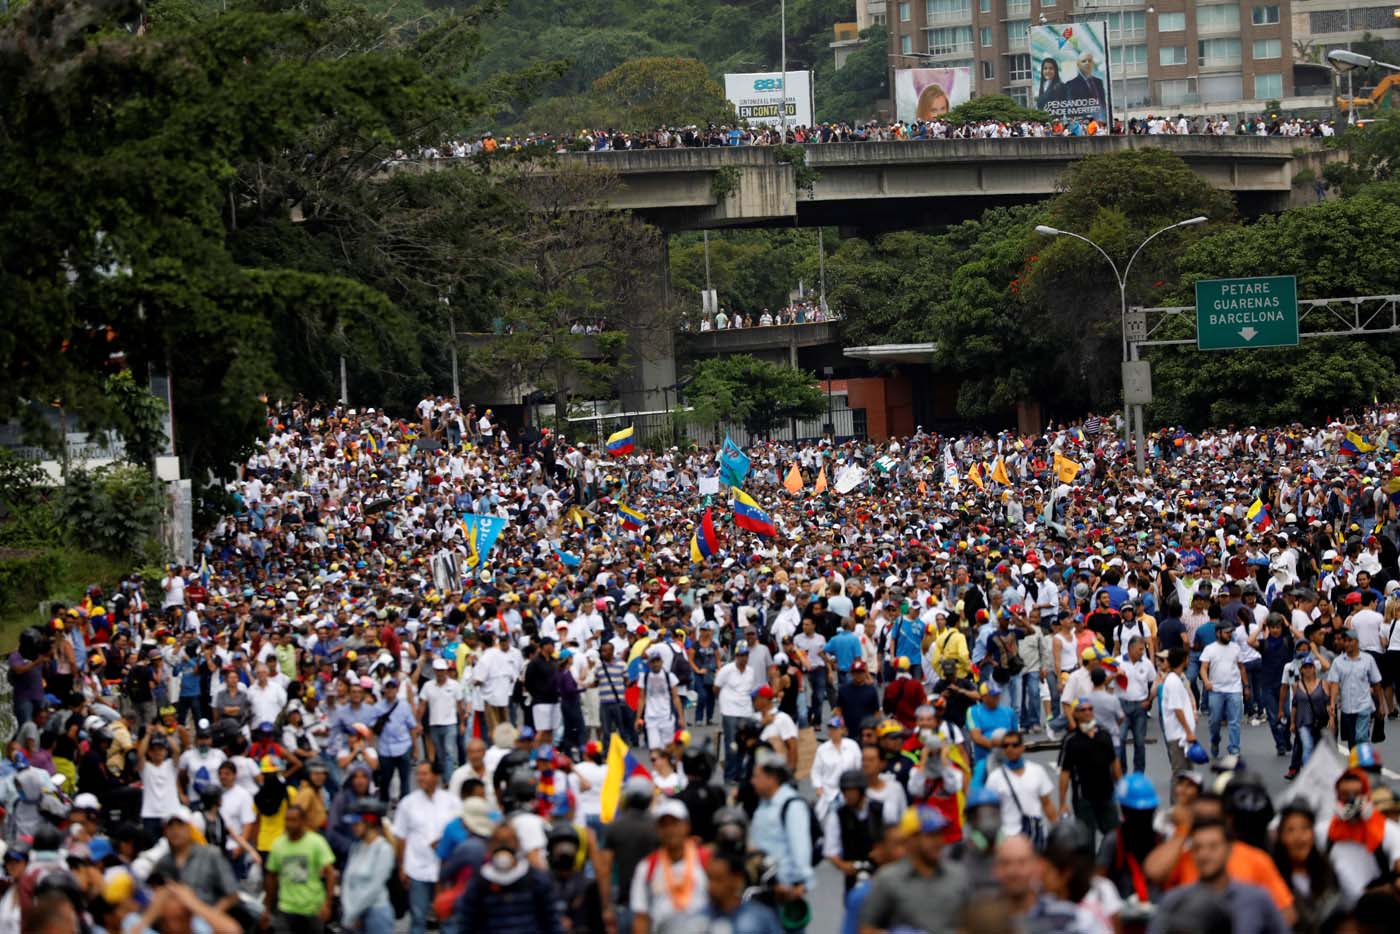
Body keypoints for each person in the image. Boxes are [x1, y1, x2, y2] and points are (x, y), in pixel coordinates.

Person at [1149, 819, 1288, 934]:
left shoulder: (1257, 899)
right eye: (1197, 847)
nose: (1204, 854)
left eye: (1213, 846)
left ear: (1229, 849)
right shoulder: (1173, 900)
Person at [857, 806, 969, 934]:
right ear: (911, 840)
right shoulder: (888, 880)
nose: (939, 841)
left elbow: (972, 923)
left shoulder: (958, 875)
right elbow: (866, 928)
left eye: (940, 834)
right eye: (931, 835)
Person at [447, 824, 559, 934]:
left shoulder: (536, 880)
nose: (504, 846)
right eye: (498, 842)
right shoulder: (480, 882)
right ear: (490, 845)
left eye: (508, 841)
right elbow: (466, 924)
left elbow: (552, 922)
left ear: (518, 844)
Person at [393, 761, 459, 934]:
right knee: (418, 918)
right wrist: (401, 866)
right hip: (417, 870)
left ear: (436, 776)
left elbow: (461, 831)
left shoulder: (451, 801)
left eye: (425, 774)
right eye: (419, 774)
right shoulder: (408, 803)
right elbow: (400, 837)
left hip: (445, 871)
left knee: (447, 918)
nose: (420, 778)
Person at [1318, 766, 1400, 897]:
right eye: (1345, 794)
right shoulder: (1323, 832)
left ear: (1366, 795)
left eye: (1356, 794)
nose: (1351, 800)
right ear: (1337, 796)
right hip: (1337, 911)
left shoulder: (1387, 831)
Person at [629, 799, 708, 933]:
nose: (670, 830)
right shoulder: (647, 866)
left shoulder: (706, 860)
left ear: (687, 826)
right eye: (664, 825)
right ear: (657, 830)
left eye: (675, 823)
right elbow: (641, 916)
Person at [263, 804, 338, 934]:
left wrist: (327, 904)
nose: (289, 824)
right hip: (286, 908)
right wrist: (268, 907)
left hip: (312, 908)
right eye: (287, 820)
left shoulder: (316, 842)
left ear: (303, 821)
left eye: (294, 820)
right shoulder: (278, 845)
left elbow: (330, 873)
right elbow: (271, 875)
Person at [1057, 699, 1121, 847]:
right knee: (1086, 840)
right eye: (1082, 710)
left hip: (1107, 794)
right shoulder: (1070, 740)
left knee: (1114, 836)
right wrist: (1062, 803)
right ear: (1075, 714)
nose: (1087, 712)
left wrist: (1122, 787)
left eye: (1090, 709)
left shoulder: (1104, 734)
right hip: (1083, 798)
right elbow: (1065, 773)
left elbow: (1114, 762)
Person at [1270, 802, 1341, 933]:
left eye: (1305, 828)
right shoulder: (1272, 876)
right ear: (1280, 837)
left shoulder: (1328, 872)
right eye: (1291, 830)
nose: (1299, 837)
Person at [984, 731, 1054, 848]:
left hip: (1034, 835)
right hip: (1007, 838)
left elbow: (1047, 804)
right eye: (1006, 746)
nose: (1010, 748)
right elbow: (990, 811)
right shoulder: (995, 777)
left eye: (1015, 745)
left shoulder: (1037, 771)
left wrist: (1057, 828)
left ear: (1022, 747)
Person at [340, 797, 398, 934]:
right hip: (354, 914)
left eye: (357, 823)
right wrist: (348, 909)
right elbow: (347, 880)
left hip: (377, 914)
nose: (353, 827)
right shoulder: (356, 847)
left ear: (369, 822)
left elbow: (374, 887)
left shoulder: (384, 849)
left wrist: (352, 912)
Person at [1200, 620, 1248, 760]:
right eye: (1226, 633)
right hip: (1216, 690)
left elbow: (1242, 667)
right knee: (1214, 720)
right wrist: (1207, 681)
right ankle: (1215, 740)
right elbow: (1203, 668)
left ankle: (1234, 748)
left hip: (1234, 688)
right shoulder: (1210, 649)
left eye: (1230, 633)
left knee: (1234, 721)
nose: (1229, 635)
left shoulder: (1235, 648)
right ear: (1218, 633)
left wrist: (1246, 686)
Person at [1328, 628, 1383, 747]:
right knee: (1352, 740)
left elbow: (1377, 683)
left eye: (1350, 640)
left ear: (1357, 642)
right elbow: (1334, 684)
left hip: (1364, 705)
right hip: (1347, 708)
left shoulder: (1368, 659)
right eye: (1345, 641)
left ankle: (1363, 760)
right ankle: (1359, 760)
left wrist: (1381, 705)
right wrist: (1332, 704)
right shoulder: (1338, 662)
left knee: (1360, 736)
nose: (1347, 644)